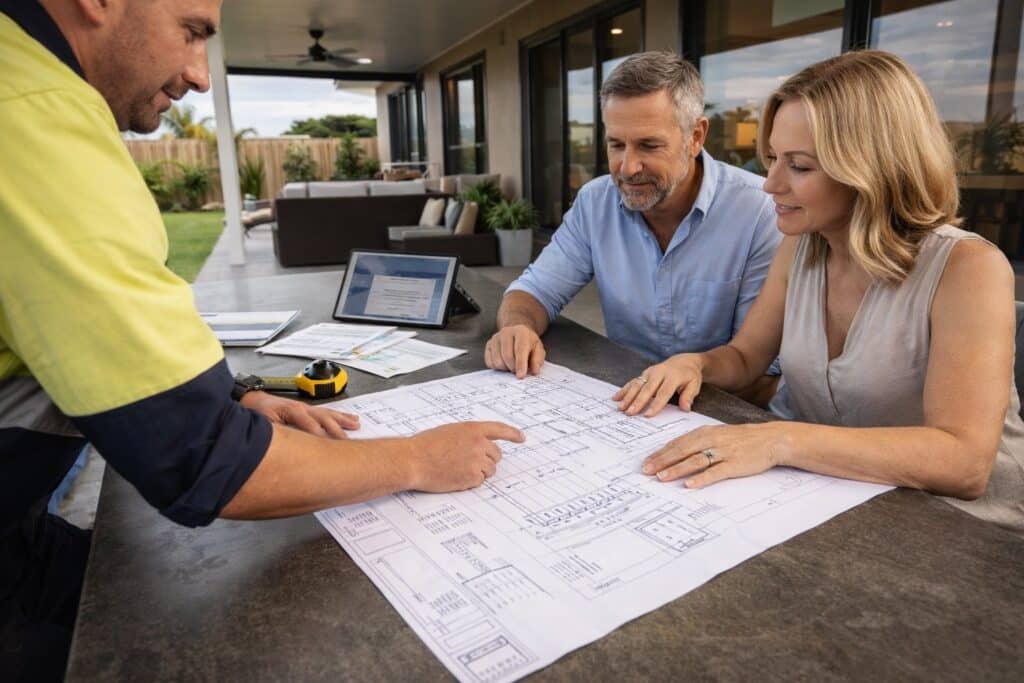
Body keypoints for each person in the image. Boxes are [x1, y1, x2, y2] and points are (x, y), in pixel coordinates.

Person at [0, 1, 522, 677]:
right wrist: (418, 458)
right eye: (190, 32)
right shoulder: (35, 119)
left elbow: (94, 334)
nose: (198, 76)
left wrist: (231, 396)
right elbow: (201, 458)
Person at [616, 50, 1024, 535]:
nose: (770, 184)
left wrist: (778, 441)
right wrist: (696, 364)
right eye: (771, 160)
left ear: (871, 169)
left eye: (800, 166)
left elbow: (963, 462)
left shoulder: (969, 269)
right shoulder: (802, 247)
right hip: (838, 503)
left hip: (962, 534)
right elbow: (747, 356)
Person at [484, 51, 781, 406]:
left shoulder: (760, 212)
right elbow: (534, 291)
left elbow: (762, 371)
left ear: (696, 136)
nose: (627, 167)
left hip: (716, 411)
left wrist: (670, 387)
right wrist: (517, 327)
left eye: (649, 145)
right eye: (616, 144)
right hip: (625, 407)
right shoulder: (596, 202)